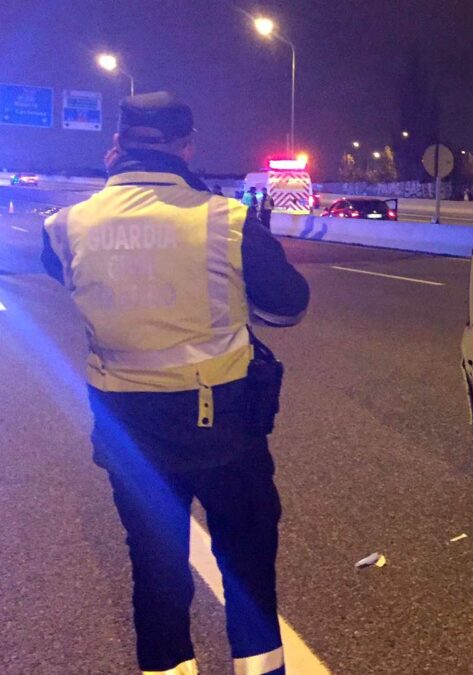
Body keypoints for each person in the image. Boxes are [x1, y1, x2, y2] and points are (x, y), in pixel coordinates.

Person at [41, 92, 309, 675]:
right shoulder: (225, 221)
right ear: (187, 148)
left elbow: (71, 280)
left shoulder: (66, 226)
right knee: (246, 563)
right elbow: (288, 307)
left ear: (117, 147)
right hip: (226, 432)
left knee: (156, 571)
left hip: (128, 431)